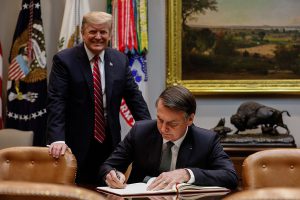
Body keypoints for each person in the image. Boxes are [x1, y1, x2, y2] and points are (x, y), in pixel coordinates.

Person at [47, 11, 151, 186]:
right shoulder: (64, 60)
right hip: (74, 144)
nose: (98, 37)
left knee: (109, 189)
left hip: (110, 143)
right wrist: (57, 138)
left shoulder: (119, 59)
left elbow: (134, 98)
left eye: (103, 32)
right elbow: (57, 101)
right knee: (77, 191)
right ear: (83, 33)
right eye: (92, 32)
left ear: (110, 34)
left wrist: (150, 131)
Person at [99, 85, 238, 190]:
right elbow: (108, 166)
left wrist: (187, 174)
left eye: (172, 123)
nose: (163, 128)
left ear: (190, 119)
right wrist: (112, 175)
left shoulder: (206, 140)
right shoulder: (141, 132)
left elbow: (230, 177)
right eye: (160, 119)